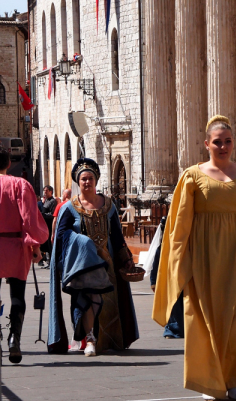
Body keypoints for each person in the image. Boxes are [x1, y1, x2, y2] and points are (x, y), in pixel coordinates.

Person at [153, 115, 236, 401]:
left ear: (234, 143)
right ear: (206, 144)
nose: (223, 147)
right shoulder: (192, 176)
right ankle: (210, 381)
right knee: (202, 316)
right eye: (217, 142)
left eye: (228, 141)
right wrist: (177, 261)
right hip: (203, 256)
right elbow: (179, 224)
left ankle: (234, 378)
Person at [48, 158, 139, 357]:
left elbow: (116, 234)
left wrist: (126, 258)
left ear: (96, 181)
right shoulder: (69, 208)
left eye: (90, 178)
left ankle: (107, 339)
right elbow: (62, 236)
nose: (87, 182)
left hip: (107, 264)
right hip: (82, 264)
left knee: (105, 302)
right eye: (83, 179)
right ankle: (89, 338)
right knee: (86, 300)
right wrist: (82, 243)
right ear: (78, 183)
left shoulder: (108, 205)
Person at [0, 149, 48, 363]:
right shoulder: (20, 185)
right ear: (9, 163)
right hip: (16, 245)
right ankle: (14, 339)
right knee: (17, 295)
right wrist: (35, 246)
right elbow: (29, 219)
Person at [148, 217, 184, 339]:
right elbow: (156, 265)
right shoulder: (163, 248)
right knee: (173, 306)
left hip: (184, 278)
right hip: (170, 280)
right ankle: (173, 329)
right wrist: (154, 282)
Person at [39, 185, 57, 267]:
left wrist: (43, 215)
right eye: (44, 190)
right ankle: (47, 260)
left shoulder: (53, 201)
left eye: (46, 191)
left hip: (50, 225)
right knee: (45, 244)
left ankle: (51, 262)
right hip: (44, 225)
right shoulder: (46, 201)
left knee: (50, 244)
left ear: (51, 191)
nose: (45, 192)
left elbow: (53, 214)